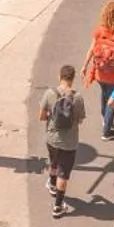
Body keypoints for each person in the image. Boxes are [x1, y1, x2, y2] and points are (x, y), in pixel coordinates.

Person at [37, 65, 86, 217]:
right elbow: (80, 119)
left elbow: (41, 117)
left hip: (52, 138)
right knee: (63, 174)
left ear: (60, 77)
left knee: (54, 162)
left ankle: (52, 183)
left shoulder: (50, 93)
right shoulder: (77, 97)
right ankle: (58, 206)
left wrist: (51, 115)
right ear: (72, 79)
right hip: (69, 142)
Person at [82, 0, 114, 139]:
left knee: (104, 95)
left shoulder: (99, 31)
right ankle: (106, 131)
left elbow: (91, 50)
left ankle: (105, 119)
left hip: (99, 72)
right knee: (112, 101)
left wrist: (85, 66)